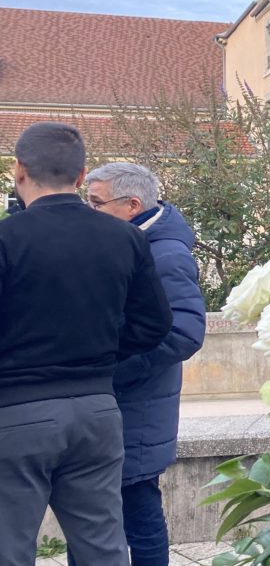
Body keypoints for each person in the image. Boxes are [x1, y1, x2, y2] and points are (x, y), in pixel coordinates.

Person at [0, 122, 172, 566]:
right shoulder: (127, 238)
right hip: (97, 409)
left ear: (18, 170)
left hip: (15, 412)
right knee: (102, 547)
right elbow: (154, 326)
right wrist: (99, 352)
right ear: (81, 176)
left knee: (9, 547)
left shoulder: (6, 239)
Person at [64, 163, 206, 566]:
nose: (88, 211)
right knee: (93, 517)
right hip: (115, 406)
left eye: (95, 203)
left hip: (136, 408)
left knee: (138, 516)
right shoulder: (123, 241)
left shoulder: (165, 254)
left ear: (132, 205)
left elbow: (184, 333)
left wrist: (113, 371)